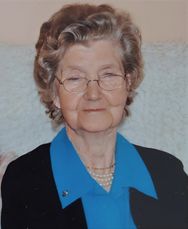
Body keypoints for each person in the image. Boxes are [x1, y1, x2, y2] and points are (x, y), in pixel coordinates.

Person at [1, 3, 188, 229]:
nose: (93, 94)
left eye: (108, 75)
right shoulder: (23, 179)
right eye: (75, 78)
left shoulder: (168, 172)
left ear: (127, 84)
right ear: (54, 93)